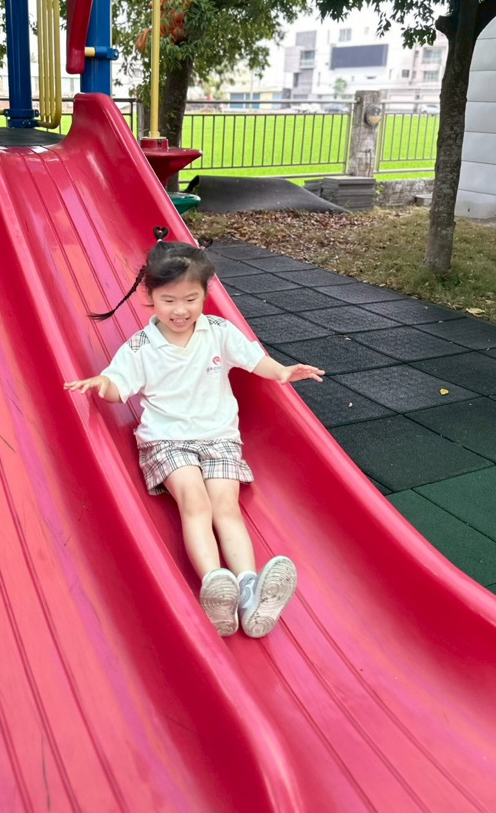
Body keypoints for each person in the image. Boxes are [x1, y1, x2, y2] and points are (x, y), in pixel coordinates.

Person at [64, 229, 325, 638]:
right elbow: (119, 385)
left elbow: (254, 359)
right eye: (169, 300)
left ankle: (248, 589)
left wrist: (283, 372)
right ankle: (215, 586)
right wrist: (103, 384)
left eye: (191, 299)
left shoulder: (218, 330)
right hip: (167, 440)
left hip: (219, 436)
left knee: (226, 505)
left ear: (205, 294)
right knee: (195, 500)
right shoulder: (141, 346)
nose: (181, 310)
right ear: (151, 297)